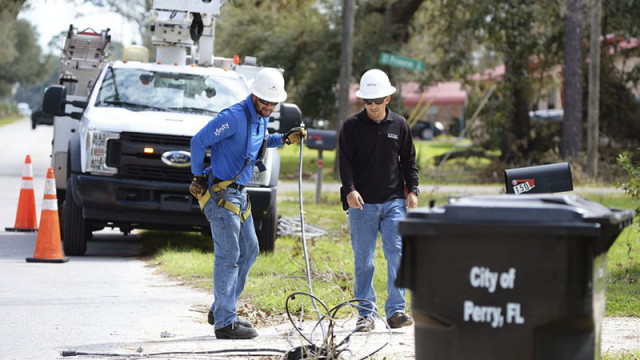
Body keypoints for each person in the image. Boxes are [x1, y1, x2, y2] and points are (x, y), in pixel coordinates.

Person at [189, 68, 306, 339]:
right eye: (263, 101)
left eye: (272, 103)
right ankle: (225, 322)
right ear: (253, 94)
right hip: (221, 196)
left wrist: (286, 139)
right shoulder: (233, 117)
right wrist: (197, 175)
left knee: (251, 250)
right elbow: (198, 141)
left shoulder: (260, 119)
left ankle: (221, 307)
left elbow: (261, 142)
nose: (267, 106)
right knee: (229, 255)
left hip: (241, 196)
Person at [338, 69, 419, 332]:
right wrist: (349, 190)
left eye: (377, 100)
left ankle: (396, 311)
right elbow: (344, 163)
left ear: (387, 99)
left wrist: (413, 191)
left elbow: (409, 161)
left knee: (396, 254)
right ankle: (365, 314)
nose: (372, 106)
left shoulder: (400, 125)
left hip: (394, 201)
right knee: (364, 260)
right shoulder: (351, 127)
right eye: (367, 101)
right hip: (361, 205)